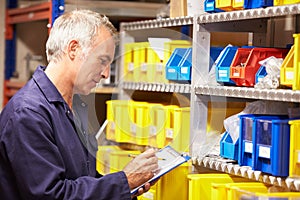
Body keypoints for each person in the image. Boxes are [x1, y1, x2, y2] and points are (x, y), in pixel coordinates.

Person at [0, 10, 158, 199]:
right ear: (73, 49)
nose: (106, 74)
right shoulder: (28, 114)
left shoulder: (76, 108)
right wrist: (125, 180)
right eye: (102, 61)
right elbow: (52, 195)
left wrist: (127, 188)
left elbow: (83, 180)